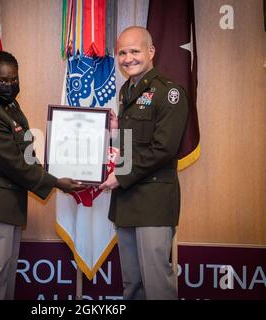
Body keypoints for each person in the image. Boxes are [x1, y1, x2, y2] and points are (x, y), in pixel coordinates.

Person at [0, 51, 84, 300]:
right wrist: (56, 182)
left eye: (13, 79)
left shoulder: (9, 107)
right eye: (2, 81)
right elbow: (13, 163)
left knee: (4, 275)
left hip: (4, 205)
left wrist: (54, 168)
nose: (10, 85)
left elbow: (25, 154)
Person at [99, 27, 188, 300]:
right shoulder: (127, 90)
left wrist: (121, 177)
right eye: (122, 53)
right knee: (133, 285)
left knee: (157, 284)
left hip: (153, 201)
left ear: (150, 52)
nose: (128, 58)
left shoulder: (169, 92)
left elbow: (163, 149)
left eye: (134, 51)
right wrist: (115, 129)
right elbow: (132, 142)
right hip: (127, 202)